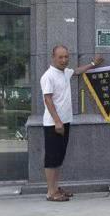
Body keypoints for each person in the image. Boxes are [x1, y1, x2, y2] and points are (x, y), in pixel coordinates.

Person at [41, 46, 103, 202]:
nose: (64, 60)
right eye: (60, 57)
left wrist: (93, 64)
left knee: (58, 157)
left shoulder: (65, 72)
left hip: (65, 121)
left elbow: (77, 71)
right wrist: (57, 121)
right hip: (54, 124)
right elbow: (47, 99)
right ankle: (50, 192)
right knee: (52, 158)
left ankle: (56, 188)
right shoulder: (48, 76)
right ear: (53, 57)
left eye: (66, 57)